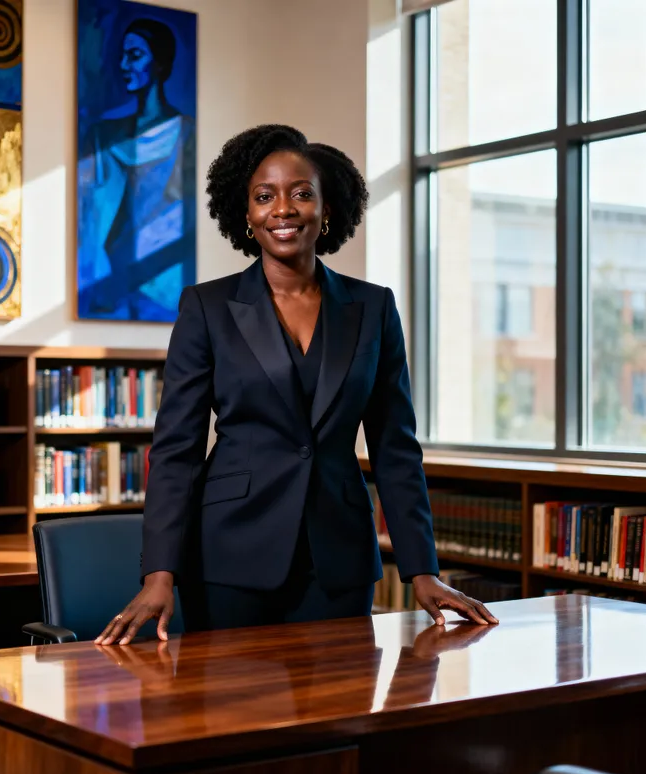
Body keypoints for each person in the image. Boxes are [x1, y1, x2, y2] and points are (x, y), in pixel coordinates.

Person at [96, 124, 498, 646]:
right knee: (235, 718)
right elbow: (177, 451)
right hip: (230, 558)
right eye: (264, 197)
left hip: (339, 562)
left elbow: (396, 448)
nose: (282, 208)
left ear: (326, 209)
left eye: (301, 193)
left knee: (340, 715)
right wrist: (159, 575)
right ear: (246, 214)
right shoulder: (207, 308)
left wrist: (422, 570)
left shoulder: (372, 309)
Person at [78, 17, 196, 320]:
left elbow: (188, 222)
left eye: (135, 55)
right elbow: (86, 215)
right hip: (106, 286)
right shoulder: (104, 135)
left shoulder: (187, 134)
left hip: (160, 289)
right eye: (122, 55)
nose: (123, 64)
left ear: (159, 63)